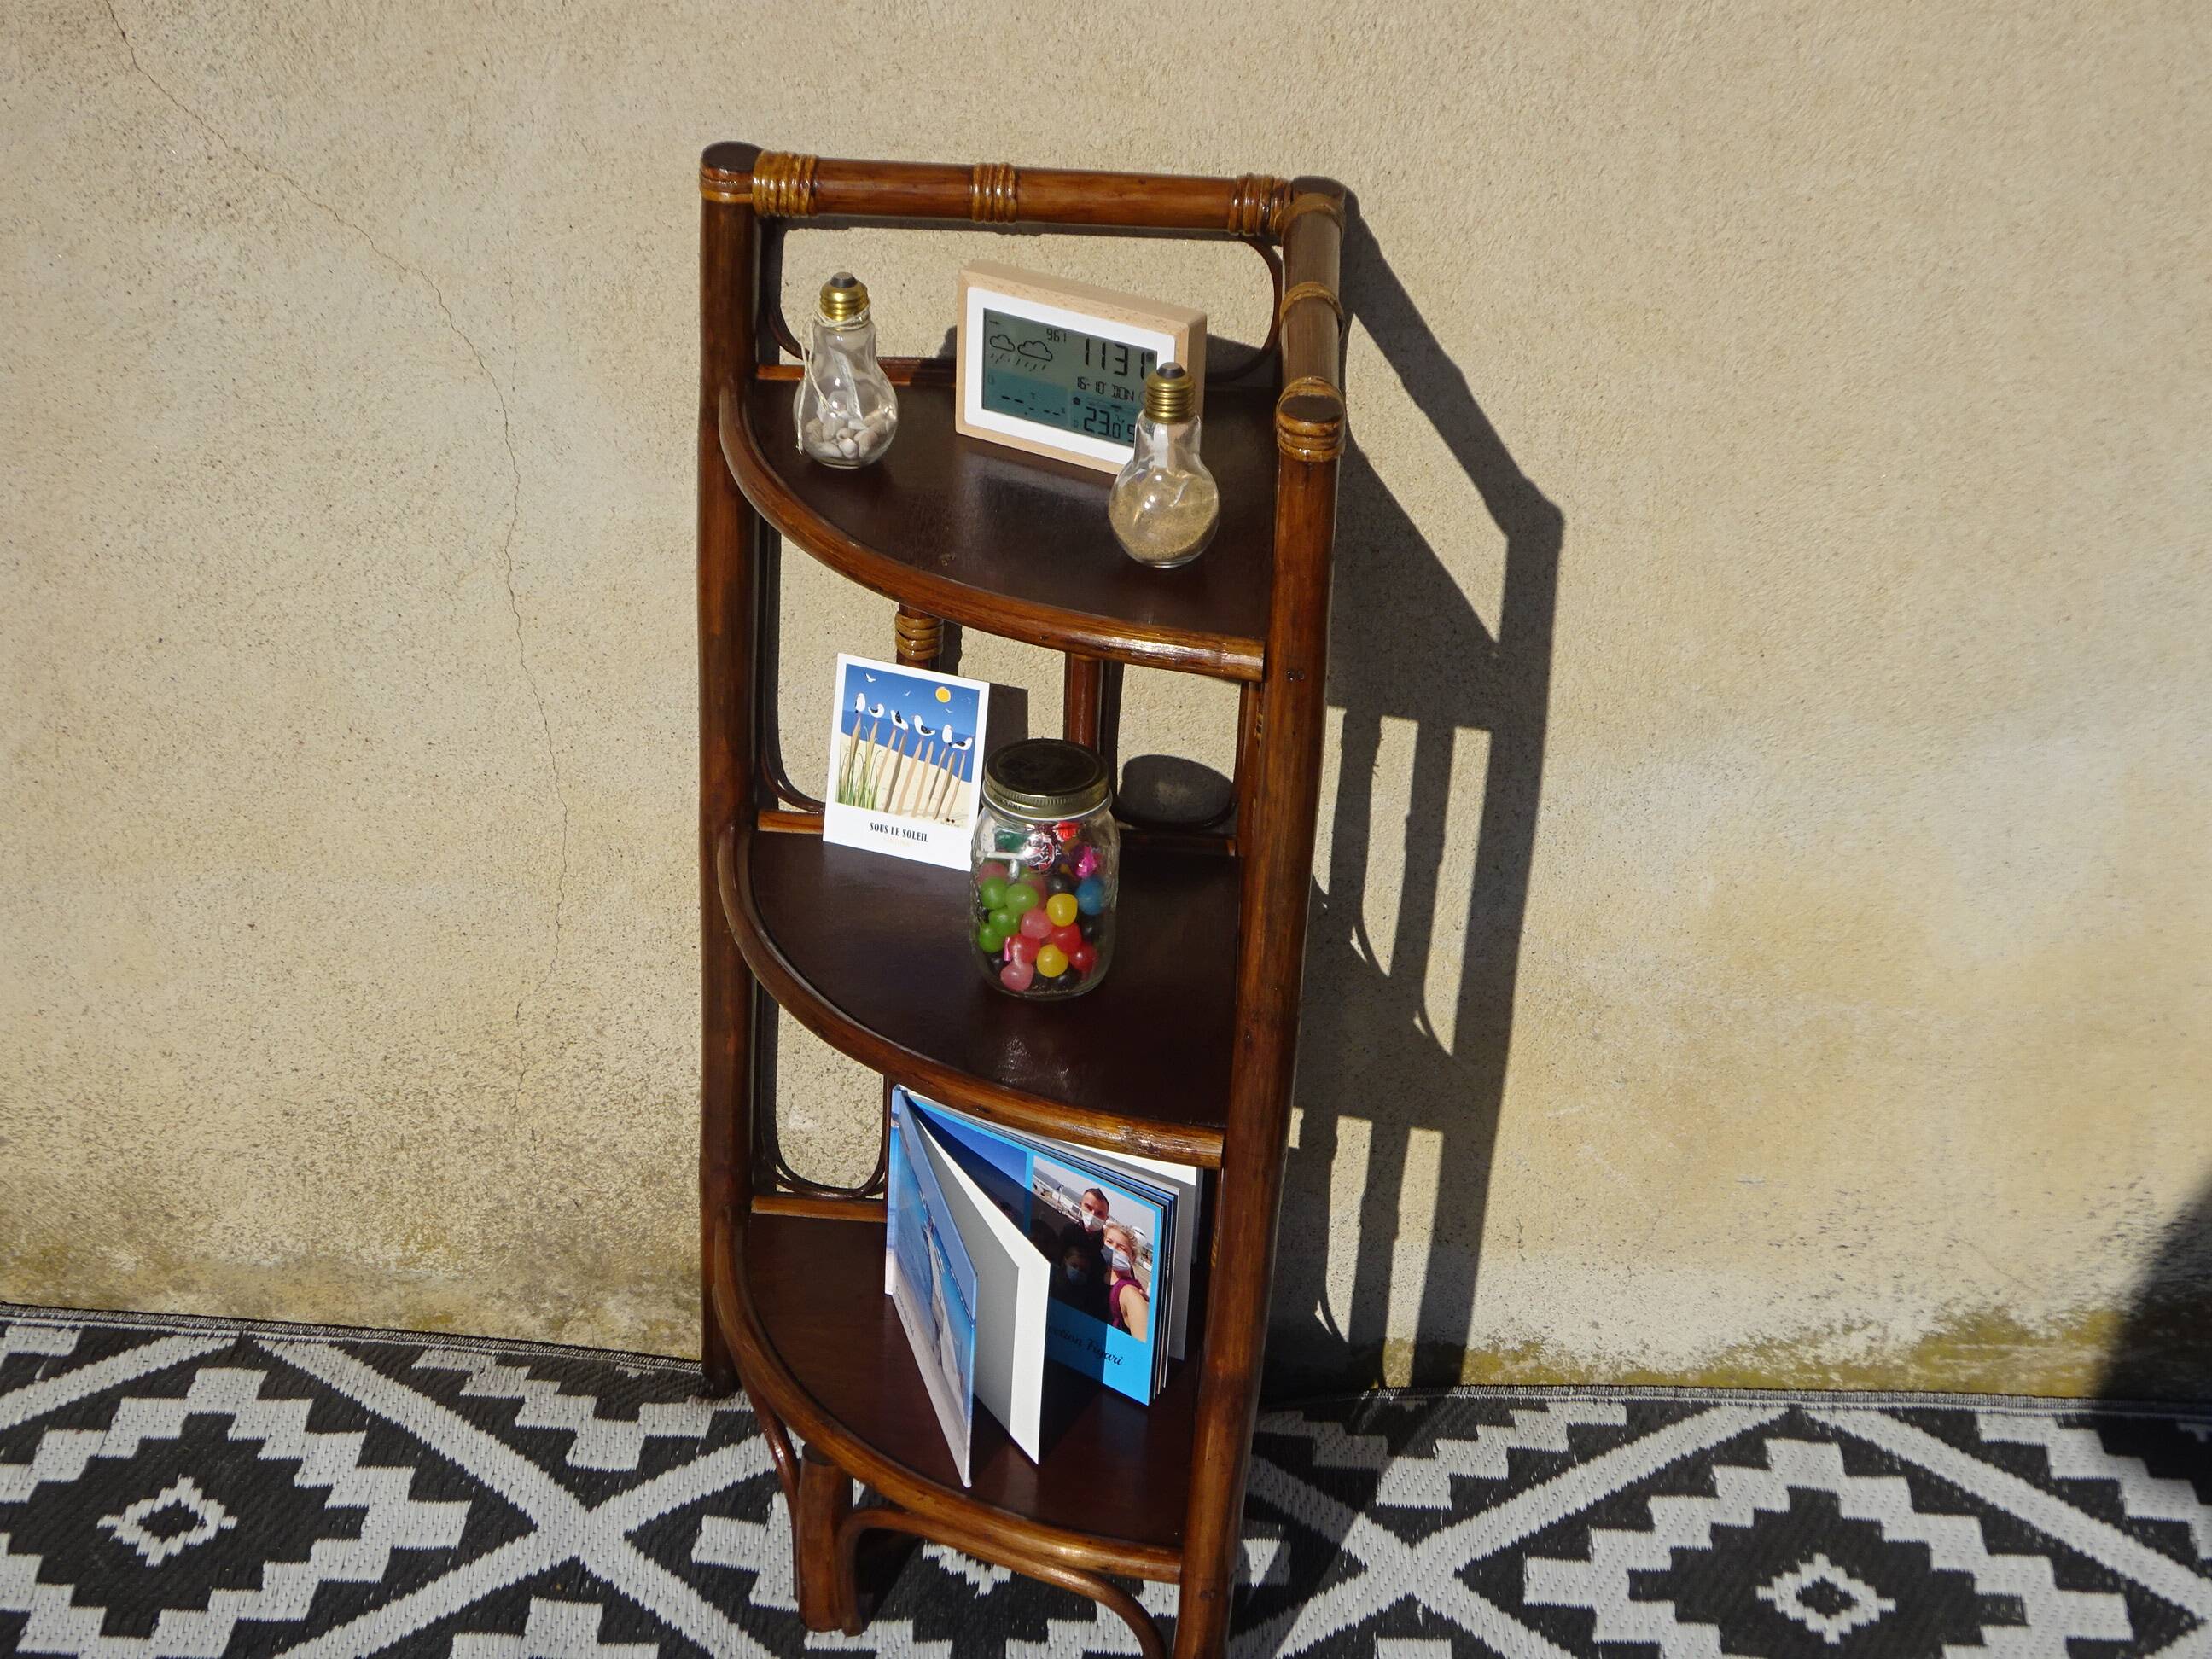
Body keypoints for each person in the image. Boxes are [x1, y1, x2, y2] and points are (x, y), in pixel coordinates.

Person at [1043, 1185, 1112, 1321]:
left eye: (1099, 1213)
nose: (1092, 1215)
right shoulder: (1069, 1232)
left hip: (1090, 1311)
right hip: (1059, 1298)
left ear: (1106, 1217)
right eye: (1088, 1208)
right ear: (1081, 1205)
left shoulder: (1108, 1245)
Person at [1102, 1221, 1150, 1342]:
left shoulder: (1128, 1290)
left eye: (1122, 1248)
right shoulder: (1102, 1273)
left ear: (1132, 1258)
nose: (1113, 1249)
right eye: (1109, 1242)